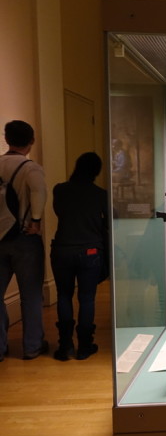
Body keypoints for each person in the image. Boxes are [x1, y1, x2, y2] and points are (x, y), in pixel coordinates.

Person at [50, 152, 108, 360]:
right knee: (87, 298)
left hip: (63, 248)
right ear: (96, 171)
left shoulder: (60, 190)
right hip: (90, 250)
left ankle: (65, 346)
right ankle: (84, 346)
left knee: (63, 295)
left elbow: (59, 212)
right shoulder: (100, 194)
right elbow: (110, 221)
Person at [0, 120, 48, 361]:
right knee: (30, 294)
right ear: (31, 141)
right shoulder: (31, 168)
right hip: (24, 237)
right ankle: (32, 346)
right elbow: (39, 193)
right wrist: (36, 221)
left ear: (6, 139)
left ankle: (0, 347)